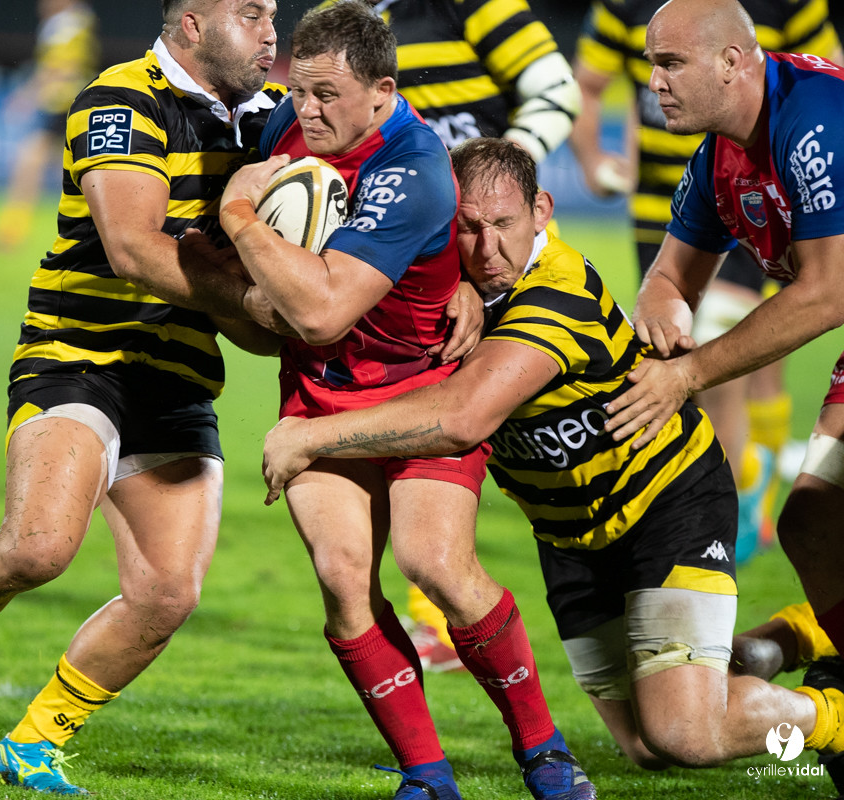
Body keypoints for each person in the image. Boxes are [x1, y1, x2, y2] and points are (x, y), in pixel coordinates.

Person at [0, 0, 286, 793]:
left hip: (178, 376)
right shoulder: (120, 99)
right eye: (250, 13)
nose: (271, 30)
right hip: (79, 354)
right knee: (37, 547)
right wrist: (252, 299)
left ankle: (33, 742)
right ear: (193, 24)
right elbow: (132, 247)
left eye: (273, 12)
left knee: (167, 593)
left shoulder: (275, 123)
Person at [261, 135, 844, 772]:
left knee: (683, 734)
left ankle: (834, 717)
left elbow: (462, 419)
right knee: (645, 748)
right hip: (569, 538)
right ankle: (794, 634)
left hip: (666, 503)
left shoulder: (557, 293)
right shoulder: (453, 280)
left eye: (503, 224)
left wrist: (309, 437)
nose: (487, 249)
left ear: (541, 211)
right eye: (468, 229)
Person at [215, 5, 595, 799]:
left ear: (383, 93)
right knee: (342, 577)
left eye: (327, 96)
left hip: (419, 392)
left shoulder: (414, 167)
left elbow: (322, 313)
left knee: (437, 565)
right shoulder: (286, 126)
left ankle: (544, 751)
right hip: (320, 393)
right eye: (299, 90)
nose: (306, 111)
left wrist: (240, 218)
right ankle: (426, 776)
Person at [321, 0, 583, 674]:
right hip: (404, 257)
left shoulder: (471, 3)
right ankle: (434, 615)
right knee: (408, 416)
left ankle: (636, 556)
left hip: (486, 246)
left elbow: (556, 90)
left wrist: (482, 189)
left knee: (525, 432)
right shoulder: (340, 20)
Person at [601, 0, 844, 671]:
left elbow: (829, 292)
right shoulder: (719, 159)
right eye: (651, 64)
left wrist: (686, 374)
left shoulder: (813, 117)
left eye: (670, 63)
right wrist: (663, 326)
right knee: (811, 521)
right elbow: (668, 279)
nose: (653, 82)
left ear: (731, 62)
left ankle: (812, 651)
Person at [0, 0, 100, 252]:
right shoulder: (73, 22)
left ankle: (11, 231)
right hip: (69, 102)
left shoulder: (68, 25)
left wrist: (26, 95)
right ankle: (93, 233)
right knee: (67, 171)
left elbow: (62, 67)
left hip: (63, 103)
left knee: (30, 161)